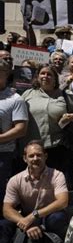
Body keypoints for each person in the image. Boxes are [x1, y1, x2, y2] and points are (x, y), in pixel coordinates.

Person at [0, 140, 69, 243]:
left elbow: (62, 202)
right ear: (25, 158)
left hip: (48, 216)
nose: (35, 158)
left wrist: (34, 216)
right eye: (31, 156)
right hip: (26, 219)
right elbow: (6, 209)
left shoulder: (57, 175)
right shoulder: (15, 180)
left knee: (58, 218)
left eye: (39, 155)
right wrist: (26, 223)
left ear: (45, 156)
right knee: (3, 225)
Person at [22, 65, 73, 189]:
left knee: (56, 184)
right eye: (42, 73)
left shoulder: (64, 95)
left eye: (49, 74)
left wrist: (71, 117)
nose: (45, 76)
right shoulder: (27, 95)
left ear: (55, 79)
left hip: (57, 146)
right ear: (37, 77)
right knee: (35, 183)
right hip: (34, 149)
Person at [0, 59, 28, 217]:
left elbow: (20, 129)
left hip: (3, 155)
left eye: (1, 71)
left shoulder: (15, 99)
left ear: (7, 74)